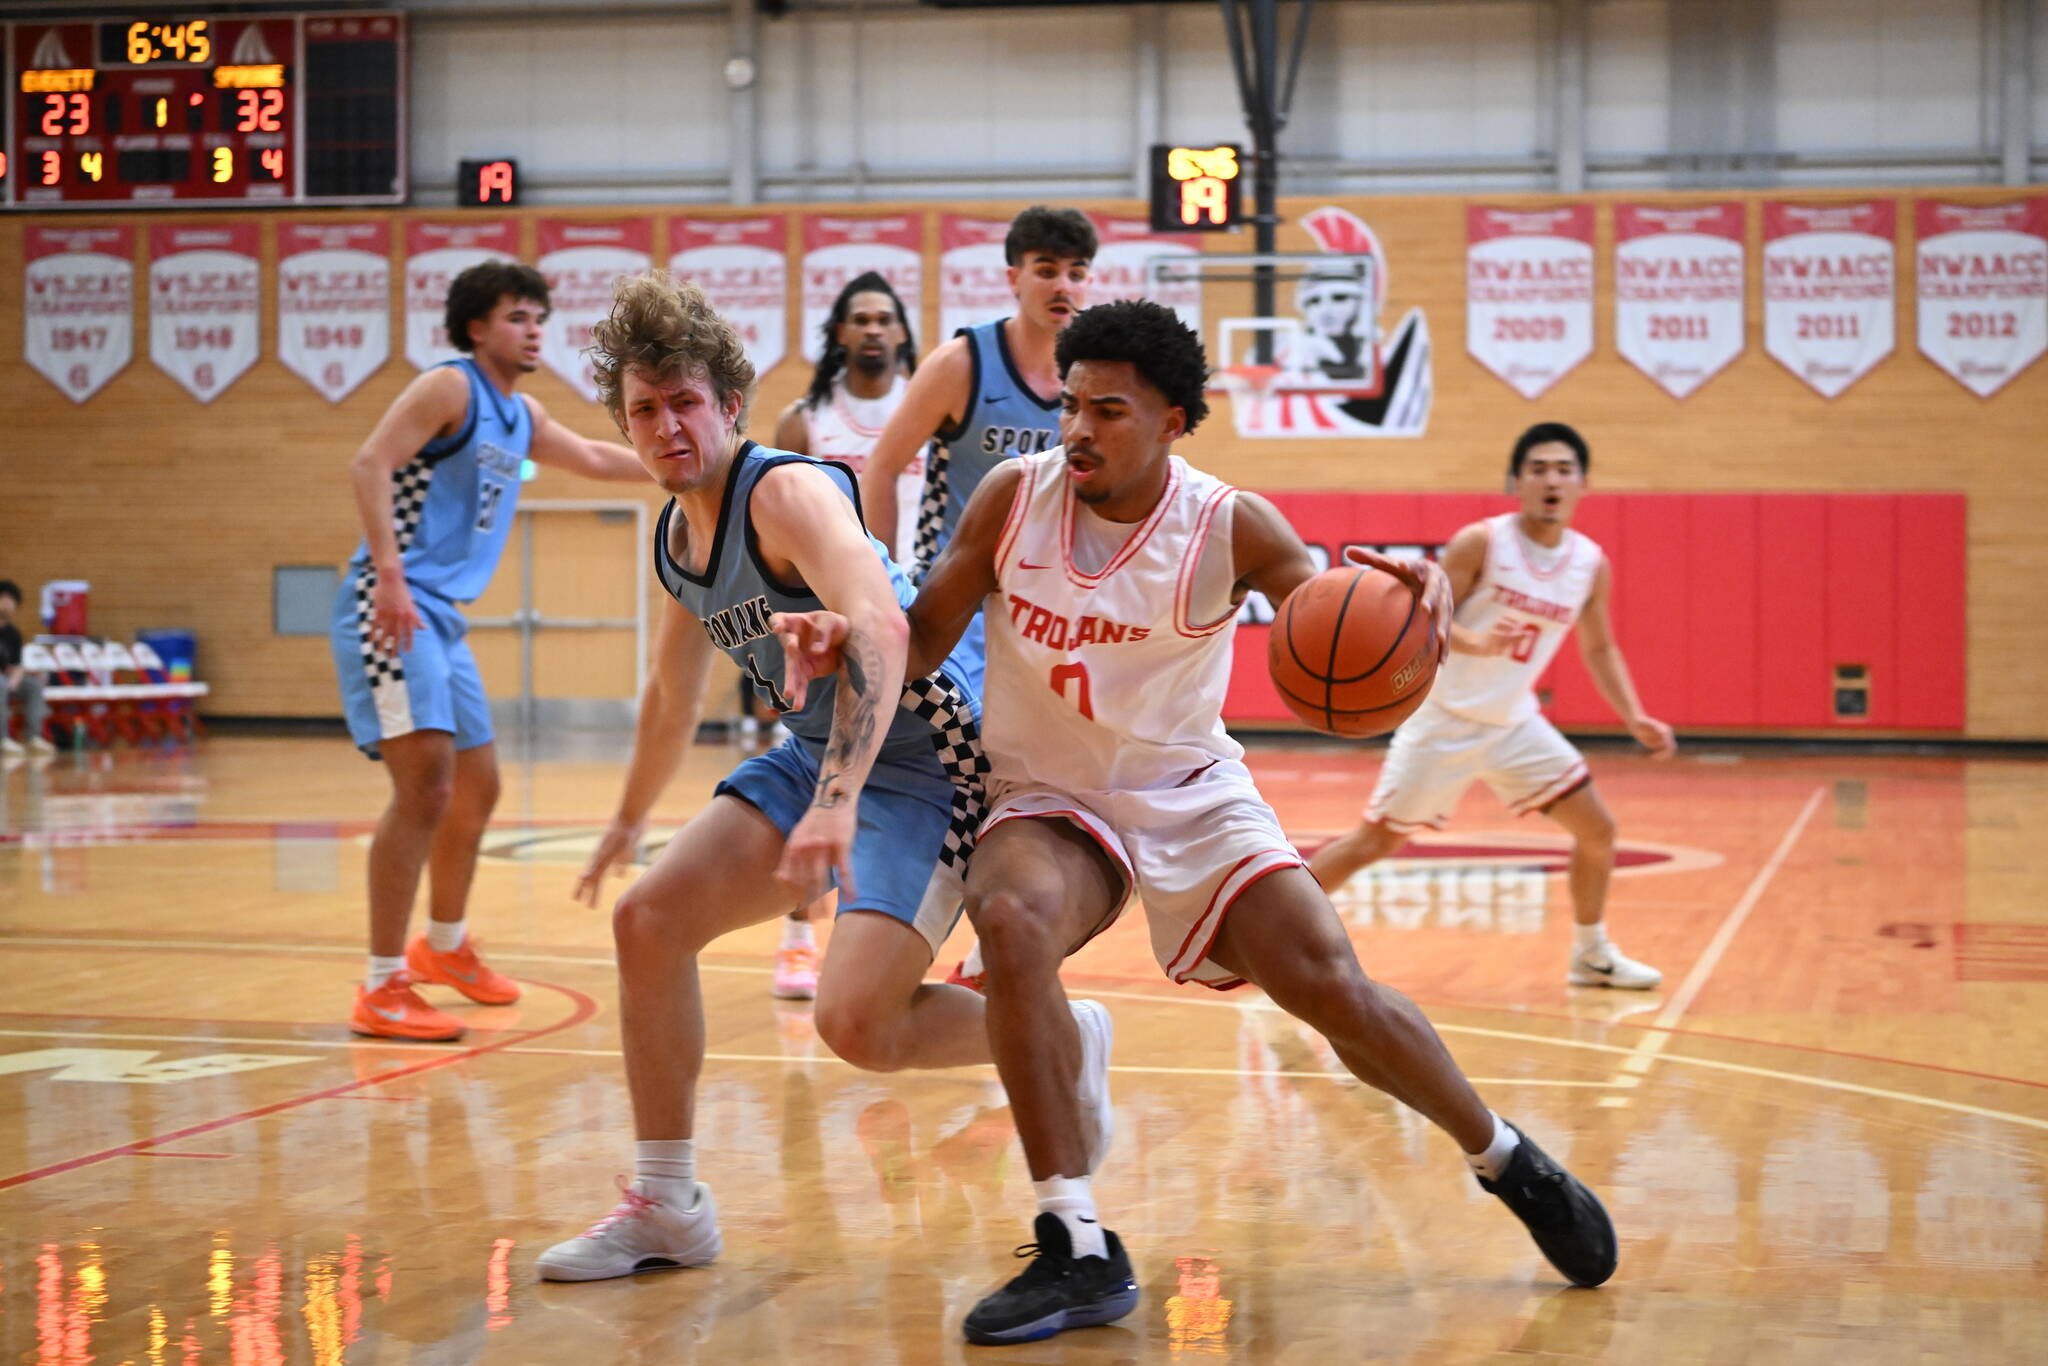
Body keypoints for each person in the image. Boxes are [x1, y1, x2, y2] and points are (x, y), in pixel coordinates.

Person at [778, 301, 1618, 1345]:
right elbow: (925, 629)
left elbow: (1326, 612)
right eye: (1069, 406)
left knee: (1328, 984)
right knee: (1010, 916)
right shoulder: (1012, 498)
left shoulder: (1229, 523)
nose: (1078, 430)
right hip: (1049, 794)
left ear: (1174, 420)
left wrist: (1410, 613)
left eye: (1109, 411)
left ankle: (1505, 1157)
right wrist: (842, 628)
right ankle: (1073, 1239)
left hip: (1185, 785)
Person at [533, 272, 1112, 1283]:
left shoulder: (785, 491)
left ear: (724, 402)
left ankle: (1063, 1034)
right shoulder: (680, 536)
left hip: (928, 756)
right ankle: (666, 1205)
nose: (665, 425)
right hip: (816, 749)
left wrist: (839, 800)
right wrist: (627, 821)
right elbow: (670, 697)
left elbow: (884, 626)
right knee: (648, 920)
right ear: (623, 425)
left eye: (683, 401)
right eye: (642, 409)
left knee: (854, 1025)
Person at [331, 261, 650, 1042]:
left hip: (442, 618)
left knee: (479, 787)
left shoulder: (521, 414)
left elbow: (600, 459)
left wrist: (705, 467)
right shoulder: (449, 388)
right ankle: (380, 985)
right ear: (478, 327)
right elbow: (368, 463)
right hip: (391, 606)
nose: (534, 328)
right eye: (517, 316)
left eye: (540, 317)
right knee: (425, 789)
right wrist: (392, 576)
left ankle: (444, 948)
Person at [1308, 422, 1675, 990]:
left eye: (1562, 469)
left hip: (1513, 722)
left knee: (1598, 829)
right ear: (1516, 481)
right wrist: (1477, 641)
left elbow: (1599, 647)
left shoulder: (1589, 563)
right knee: (1373, 842)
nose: (1550, 479)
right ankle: (1271, 932)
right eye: (1538, 469)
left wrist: (1634, 716)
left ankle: (1591, 954)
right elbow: (1425, 617)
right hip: (1445, 720)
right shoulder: (1483, 542)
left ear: (1583, 483)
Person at [860, 205, 1095, 988]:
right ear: (1014, 277)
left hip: (1044, 612)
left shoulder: (1088, 380)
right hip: (957, 603)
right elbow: (883, 463)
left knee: (1051, 775)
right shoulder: (964, 362)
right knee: (969, 766)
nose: (1063, 285)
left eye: (1076, 272)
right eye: (1047, 269)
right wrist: (881, 576)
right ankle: (895, 924)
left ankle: (999, 943)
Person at [759, 272, 923, 1000]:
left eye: (885, 318)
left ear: (900, 331)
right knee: (815, 761)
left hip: (915, 600)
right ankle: (799, 939)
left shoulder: (921, 401)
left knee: (944, 772)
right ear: (839, 333)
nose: (874, 330)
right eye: (859, 318)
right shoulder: (806, 419)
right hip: (820, 612)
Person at [0, 580, 53, 758]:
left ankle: (33, 738)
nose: (8, 604)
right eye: (4, 599)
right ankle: (2, 739)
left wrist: (16, 677)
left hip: (6, 679)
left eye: (11, 600)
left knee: (33, 685)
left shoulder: (13, 634)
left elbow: (17, 664)